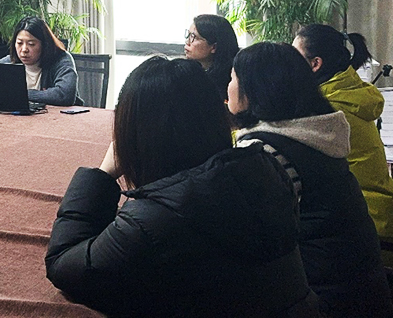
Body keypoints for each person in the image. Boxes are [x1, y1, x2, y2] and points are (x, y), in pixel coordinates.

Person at [46, 56, 318, 318]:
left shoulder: (155, 219)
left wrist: (103, 174)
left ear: (134, 133)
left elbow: (63, 265)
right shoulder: (264, 168)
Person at [229, 42, 393, 318]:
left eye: (232, 79)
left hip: (321, 301)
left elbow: (245, 237)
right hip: (362, 293)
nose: (229, 87)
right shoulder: (318, 133)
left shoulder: (265, 152)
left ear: (254, 89)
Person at [293, 24, 393, 239]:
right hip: (382, 213)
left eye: (295, 57)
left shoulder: (326, 108)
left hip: (363, 225)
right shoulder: (349, 90)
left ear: (315, 64)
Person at [0, 16, 77, 106]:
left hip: (61, 121)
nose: (24, 50)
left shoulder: (61, 60)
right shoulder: (11, 61)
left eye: (31, 44)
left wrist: (17, 94)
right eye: (19, 43)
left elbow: (64, 95)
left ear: (45, 45)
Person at [184, 13, 239, 99]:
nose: (187, 42)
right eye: (189, 35)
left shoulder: (232, 80)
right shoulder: (187, 73)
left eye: (194, 37)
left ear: (214, 47)